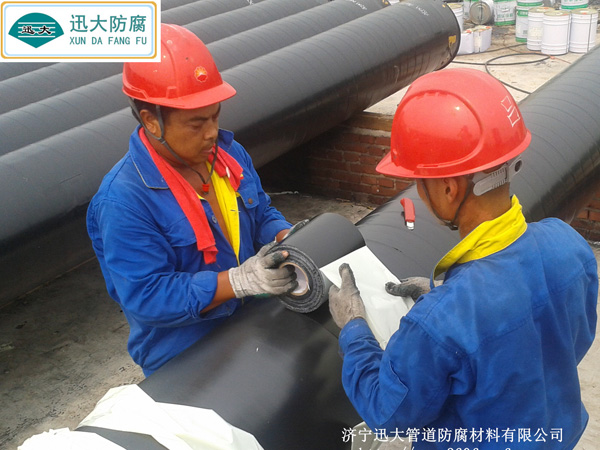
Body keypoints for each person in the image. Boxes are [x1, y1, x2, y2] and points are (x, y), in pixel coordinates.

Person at [328, 68, 598, 449]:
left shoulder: (441, 323)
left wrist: (354, 329)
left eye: (419, 182)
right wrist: (449, 301)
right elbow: (568, 344)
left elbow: (388, 413)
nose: (418, 194)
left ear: (449, 188)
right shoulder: (569, 245)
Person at [87, 23, 297, 376]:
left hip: (250, 320)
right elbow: (147, 297)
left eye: (215, 116)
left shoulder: (228, 157)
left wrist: (286, 237)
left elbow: (261, 213)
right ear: (151, 121)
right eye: (196, 124)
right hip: (184, 352)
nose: (212, 133)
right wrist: (237, 282)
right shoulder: (124, 200)